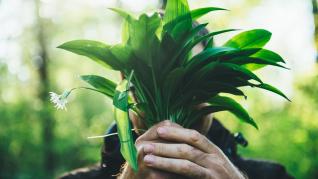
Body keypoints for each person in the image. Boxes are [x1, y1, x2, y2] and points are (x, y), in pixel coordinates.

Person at [59, 12, 294, 179]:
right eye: (153, 83)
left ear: (215, 83)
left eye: (191, 84)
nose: (171, 119)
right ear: (126, 83)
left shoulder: (272, 175)